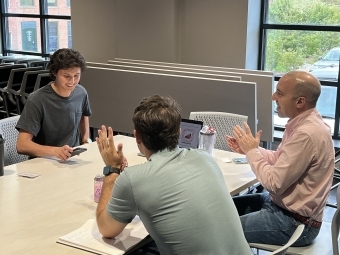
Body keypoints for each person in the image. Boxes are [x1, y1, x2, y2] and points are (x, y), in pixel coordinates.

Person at [95, 95, 252, 255]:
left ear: (137, 136)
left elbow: (106, 229)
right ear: (180, 132)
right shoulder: (205, 158)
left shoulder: (133, 179)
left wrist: (112, 169)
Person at [226, 70, 334, 246]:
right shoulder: (303, 123)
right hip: (280, 207)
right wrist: (250, 150)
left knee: (218, 230)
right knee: (221, 209)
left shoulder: (306, 134)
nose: (273, 97)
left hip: (295, 223)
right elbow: (279, 159)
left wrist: (252, 152)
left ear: (300, 102)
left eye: (280, 94)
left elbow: (273, 183)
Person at [16, 48, 92, 161]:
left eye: (76, 76)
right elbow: (21, 145)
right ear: (54, 72)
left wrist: (85, 139)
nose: (72, 81)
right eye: (66, 76)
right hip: (44, 161)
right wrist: (56, 151)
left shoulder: (81, 92)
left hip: (71, 159)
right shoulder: (37, 99)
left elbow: (83, 114)